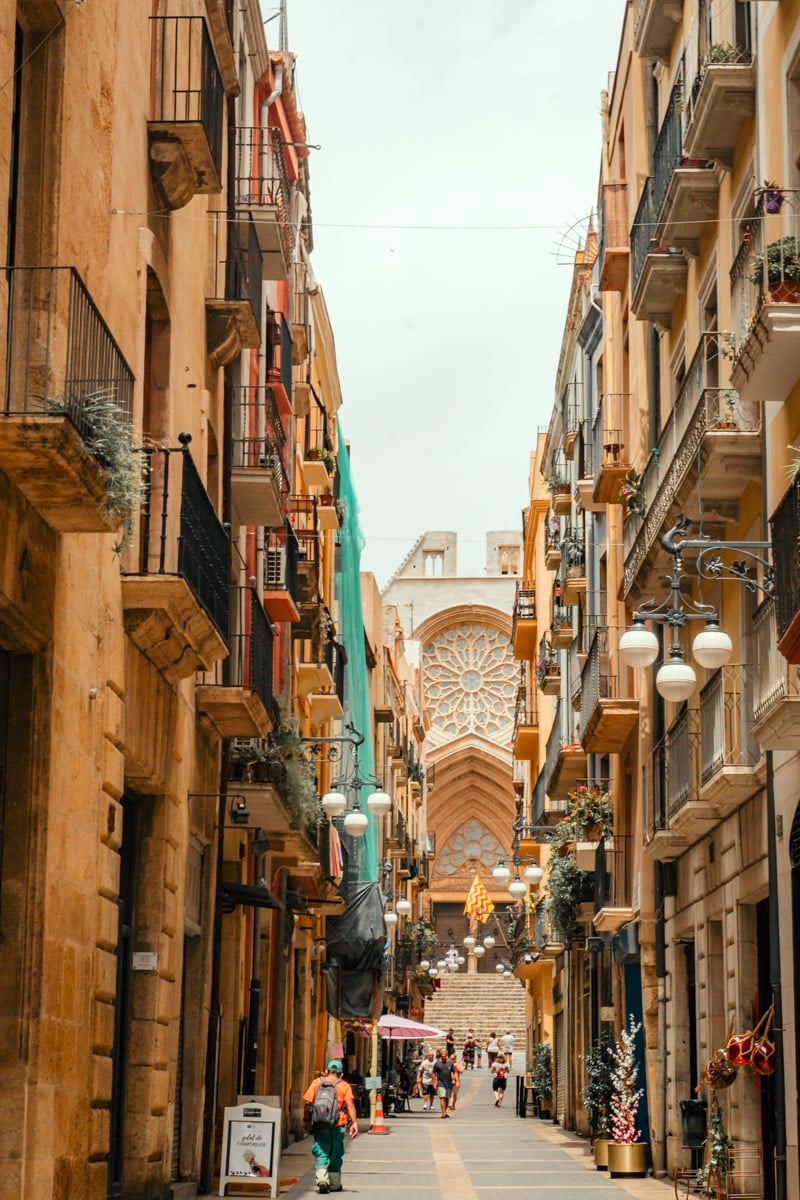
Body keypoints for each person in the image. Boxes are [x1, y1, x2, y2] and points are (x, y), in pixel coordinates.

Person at [302, 1059, 358, 1194]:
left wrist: (305, 1120)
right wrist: (354, 1122)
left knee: (321, 1151)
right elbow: (350, 1105)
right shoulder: (344, 1085)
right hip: (338, 1124)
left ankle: (322, 1180)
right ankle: (334, 1183)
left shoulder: (317, 1083)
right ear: (341, 1074)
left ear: (326, 1071)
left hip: (320, 1124)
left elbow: (307, 1103)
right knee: (336, 1153)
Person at [432, 1049, 457, 1117]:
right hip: (440, 1083)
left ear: (447, 1055)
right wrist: (434, 1082)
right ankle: (443, 1112)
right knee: (442, 1097)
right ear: (440, 1056)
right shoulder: (437, 1063)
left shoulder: (450, 1063)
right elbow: (434, 1073)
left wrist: (455, 1080)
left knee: (447, 1098)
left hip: (449, 1083)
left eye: (445, 1056)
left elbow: (454, 1072)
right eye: (442, 1056)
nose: (443, 1057)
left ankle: (445, 1111)